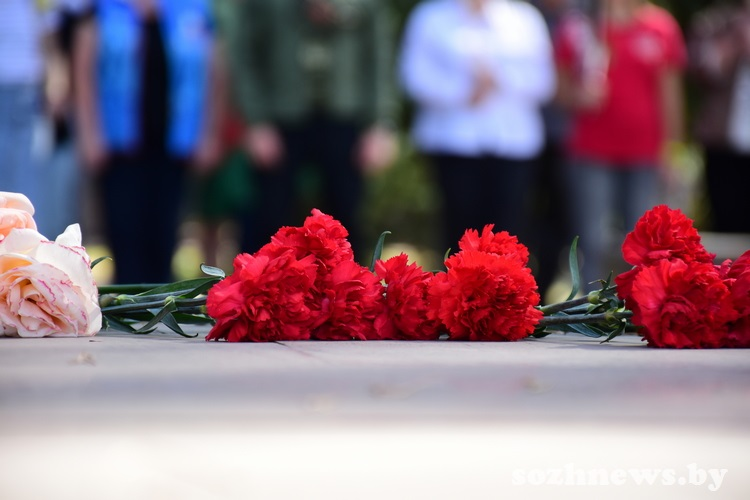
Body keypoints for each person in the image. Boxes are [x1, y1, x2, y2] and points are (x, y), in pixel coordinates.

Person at [219, 0, 398, 261]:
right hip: (279, 120)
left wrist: (380, 123)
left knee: (347, 219)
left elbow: (379, 57)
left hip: (345, 117)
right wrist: (256, 122)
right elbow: (245, 56)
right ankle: (261, 285)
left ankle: (351, 286)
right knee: (269, 220)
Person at [73, 0, 221, 283]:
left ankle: (159, 302)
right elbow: (84, 72)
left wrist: (208, 133)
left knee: (165, 235)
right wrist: (89, 134)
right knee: (124, 235)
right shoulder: (103, 9)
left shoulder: (193, 9)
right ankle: (127, 300)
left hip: (174, 146)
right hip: (118, 147)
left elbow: (214, 73)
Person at [399, 0, 556, 256]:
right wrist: (461, 93)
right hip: (453, 143)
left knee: (510, 230)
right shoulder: (430, 17)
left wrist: (500, 79)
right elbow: (414, 76)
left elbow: (544, 81)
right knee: (458, 230)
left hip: (513, 144)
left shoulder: (525, 19)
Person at [554, 0, 686, 290]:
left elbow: (670, 96)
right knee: (591, 239)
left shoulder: (660, 27)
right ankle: (590, 307)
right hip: (590, 152)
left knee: (643, 241)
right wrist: (578, 96)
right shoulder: (578, 27)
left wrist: (672, 151)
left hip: (645, 155)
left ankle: (640, 303)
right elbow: (558, 88)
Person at [688, 0, 750, 234]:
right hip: (724, 146)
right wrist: (736, 43)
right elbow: (703, 72)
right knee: (726, 219)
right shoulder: (715, 23)